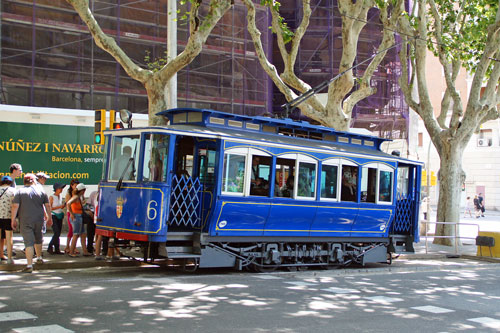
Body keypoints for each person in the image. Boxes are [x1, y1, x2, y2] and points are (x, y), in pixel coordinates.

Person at [11, 173, 52, 273]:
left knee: (28, 242)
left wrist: (13, 220)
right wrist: (49, 217)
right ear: (34, 181)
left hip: (25, 220)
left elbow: (15, 206)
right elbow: (47, 205)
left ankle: (29, 265)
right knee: (38, 239)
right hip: (39, 219)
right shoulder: (41, 190)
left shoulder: (20, 191)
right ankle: (39, 258)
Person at [66, 183, 92, 257]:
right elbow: (68, 203)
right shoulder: (76, 197)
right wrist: (71, 213)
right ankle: (71, 251)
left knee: (83, 234)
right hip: (76, 216)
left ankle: (85, 251)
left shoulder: (79, 197)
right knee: (76, 234)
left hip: (79, 215)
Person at [0, 176, 16, 264]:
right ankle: (10, 258)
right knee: (9, 237)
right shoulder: (13, 191)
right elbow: (15, 205)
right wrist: (14, 218)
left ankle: (0, 255)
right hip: (8, 216)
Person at [47, 183, 66, 255]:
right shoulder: (51, 197)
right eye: (60, 188)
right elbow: (49, 208)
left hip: (59, 215)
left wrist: (62, 207)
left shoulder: (60, 196)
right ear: (56, 189)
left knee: (58, 233)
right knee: (56, 232)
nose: (61, 190)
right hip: (53, 215)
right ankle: (50, 245)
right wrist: (59, 207)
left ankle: (57, 248)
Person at [64, 179, 79, 254]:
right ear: (71, 185)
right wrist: (71, 213)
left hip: (77, 212)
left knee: (76, 231)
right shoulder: (69, 193)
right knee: (71, 230)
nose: (76, 187)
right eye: (75, 185)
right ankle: (67, 246)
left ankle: (73, 247)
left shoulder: (78, 193)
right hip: (71, 213)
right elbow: (67, 204)